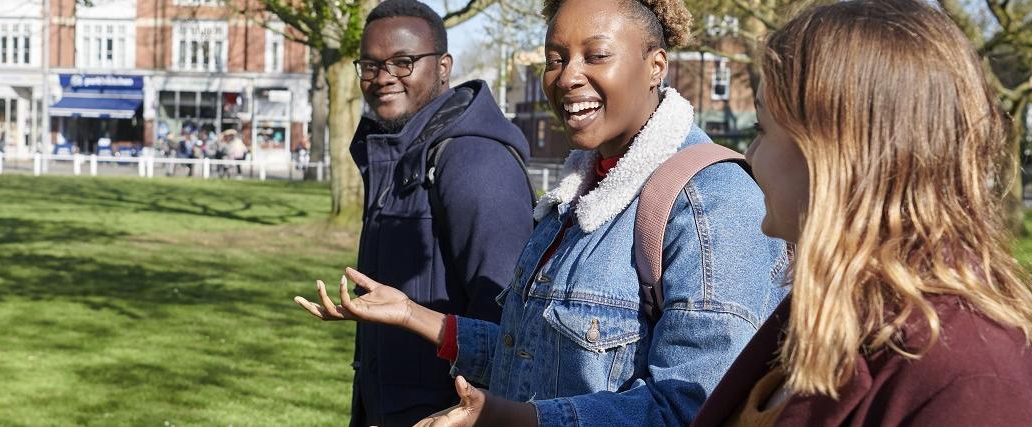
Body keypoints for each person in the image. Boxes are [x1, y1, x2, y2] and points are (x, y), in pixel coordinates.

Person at [296, 0, 789, 425]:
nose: (569, 76)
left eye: (596, 55)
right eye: (556, 58)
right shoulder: (575, 195)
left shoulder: (713, 203)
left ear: (657, 65)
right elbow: (532, 354)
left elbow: (696, 407)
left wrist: (510, 419)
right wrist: (411, 315)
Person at [689, 2, 1032, 425]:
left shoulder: (971, 375)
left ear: (838, 153)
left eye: (763, 129)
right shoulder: (830, 313)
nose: (750, 155)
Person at [290, 1, 536, 425]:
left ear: (443, 65)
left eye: (403, 62)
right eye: (370, 64)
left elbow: (511, 329)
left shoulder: (474, 161)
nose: (384, 77)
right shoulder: (398, 155)